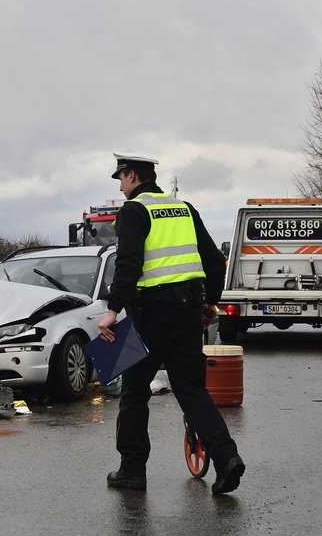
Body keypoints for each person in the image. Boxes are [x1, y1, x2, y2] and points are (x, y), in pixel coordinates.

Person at [97, 153, 245, 495]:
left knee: (134, 393)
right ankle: (226, 459)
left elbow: (129, 264)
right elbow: (213, 258)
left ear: (133, 176)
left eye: (120, 179)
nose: (120, 187)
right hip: (187, 312)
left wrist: (112, 310)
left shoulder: (133, 211)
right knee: (191, 390)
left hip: (147, 316)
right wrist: (211, 300)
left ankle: (132, 471)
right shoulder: (185, 209)